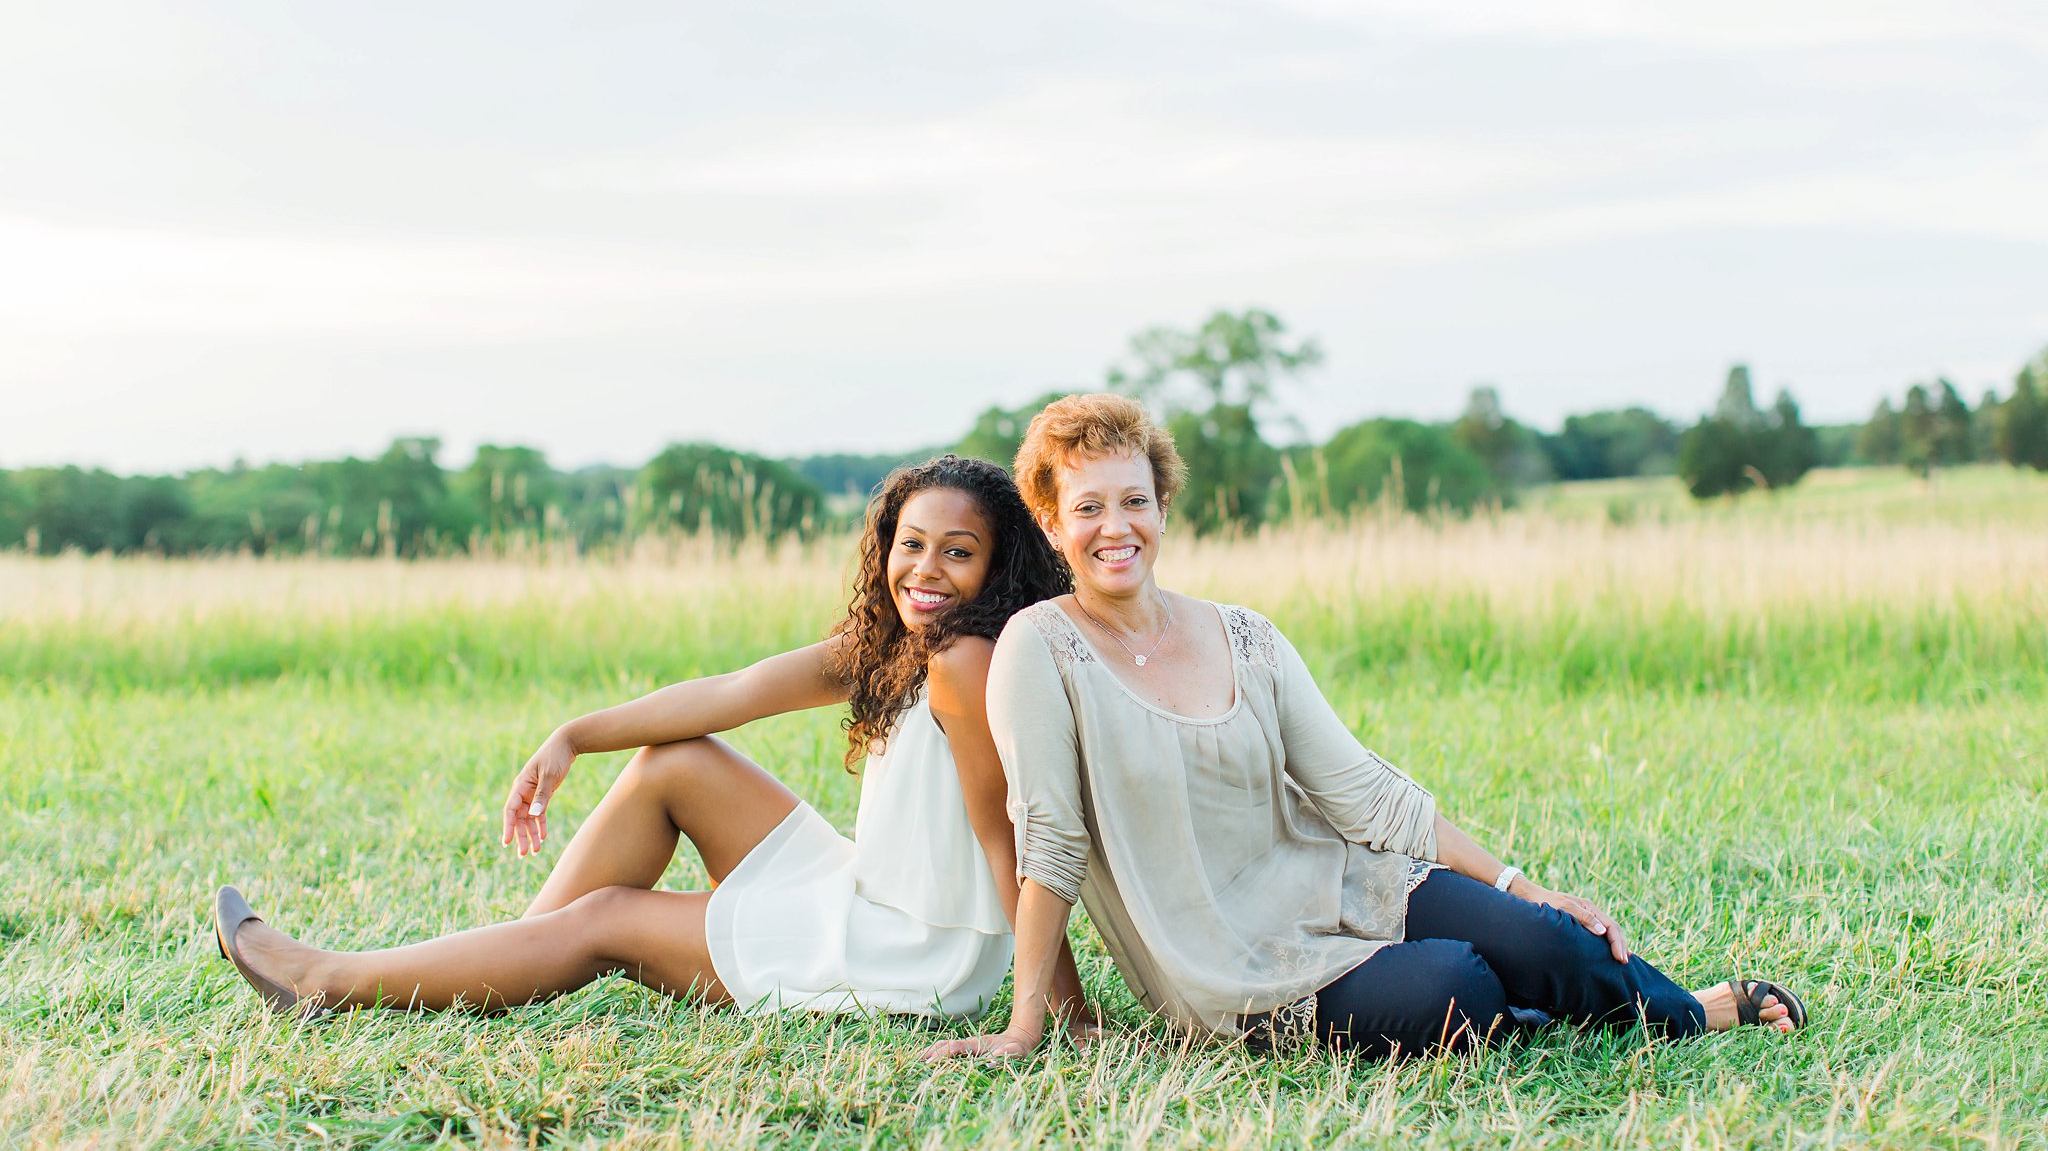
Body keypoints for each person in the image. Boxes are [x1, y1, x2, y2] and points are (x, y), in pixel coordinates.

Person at [925, 395, 1807, 1062]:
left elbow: (1361, 791)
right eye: (1087, 508)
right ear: (1050, 523)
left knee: (1544, 937)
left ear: (1162, 508)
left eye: (1134, 501)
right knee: (1457, 982)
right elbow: (1049, 842)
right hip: (1229, 960)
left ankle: (1691, 1011)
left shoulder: (1246, 634)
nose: (1115, 527)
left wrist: (1521, 886)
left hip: (1335, 880)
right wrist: (1028, 1021)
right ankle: (1534, 1015)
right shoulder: (1039, 650)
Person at [214, 455, 1092, 1027]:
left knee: (605, 922)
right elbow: (730, 693)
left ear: (997, 568)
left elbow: (1005, 836)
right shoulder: (896, 645)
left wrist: (1047, 1012)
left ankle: (328, 982)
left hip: (912, 952)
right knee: (677, 761)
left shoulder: (969, 663)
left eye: (957, 553)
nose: (925, 572)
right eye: (911, 545)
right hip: (864, 892)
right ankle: (500, 964)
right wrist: (573, 737)